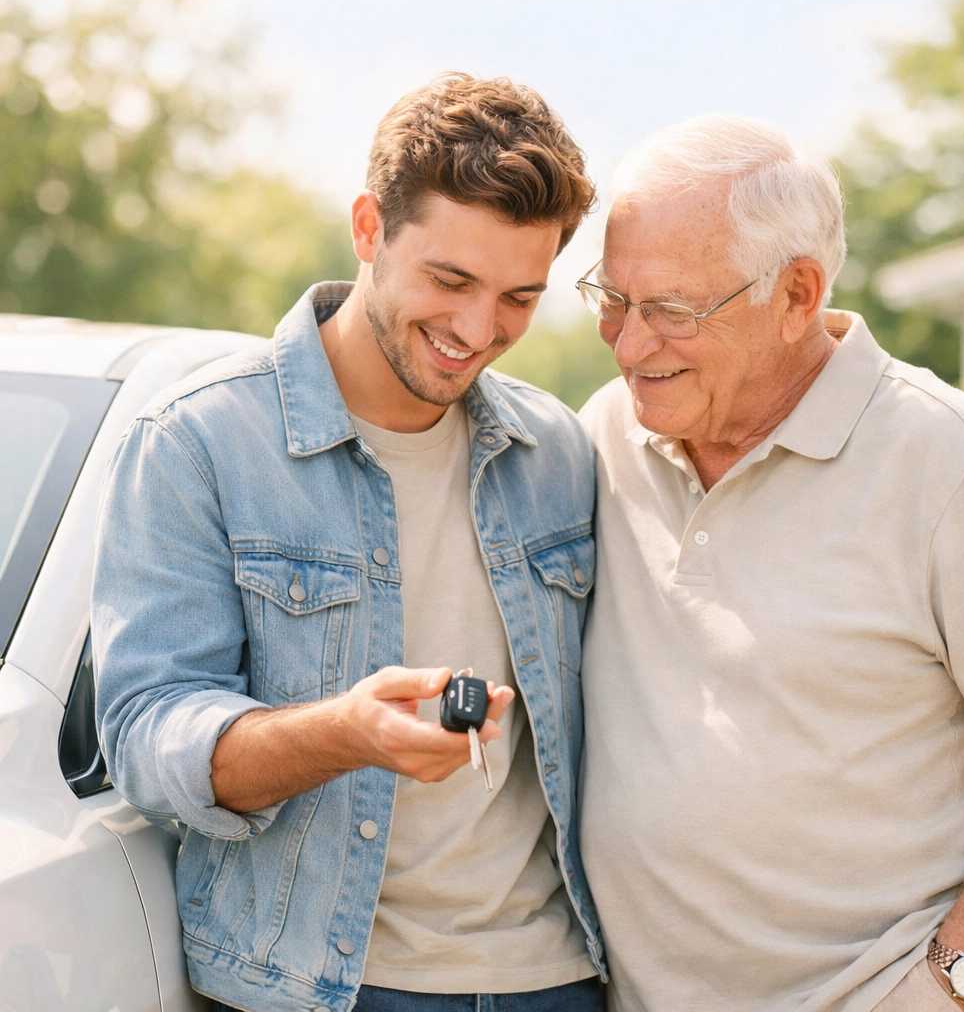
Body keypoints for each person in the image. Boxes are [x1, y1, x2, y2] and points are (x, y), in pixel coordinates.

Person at [93, 74, 606, 1012]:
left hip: (557, 979)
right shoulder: (197, 442)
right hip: (324, 987)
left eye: (518, 298)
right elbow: (144, 733)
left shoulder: (559, 451)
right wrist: (342, 734)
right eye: (450, 280)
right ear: (370, 229)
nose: (477, 330)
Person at [576, 113, 964, 1012]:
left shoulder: (940, 460)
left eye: (670, 310)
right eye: (613, 300)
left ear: (796, 295)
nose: (628, 345)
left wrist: (957, 983)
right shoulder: (604, 436)